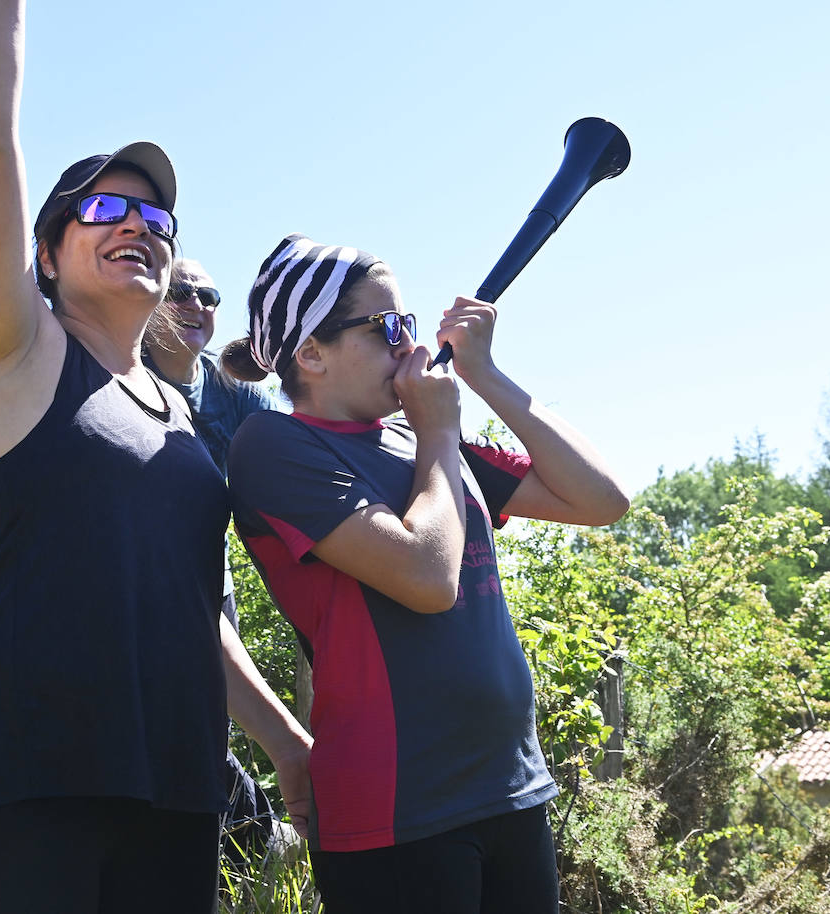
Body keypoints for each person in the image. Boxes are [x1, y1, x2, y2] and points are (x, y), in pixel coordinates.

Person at [0, 3, 312, 911]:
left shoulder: (182, 415)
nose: (137, 223)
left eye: (155, 215)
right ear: (46, 255)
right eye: (103, 209)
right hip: (21, 789)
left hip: (173, 794)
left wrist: (287, 744)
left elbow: (192, 607)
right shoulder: (19, 354)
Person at [223, 234, 631, 914]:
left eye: (409, 327)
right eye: (386, 329)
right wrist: (440, 433)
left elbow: (601, 499)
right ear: (311, 353)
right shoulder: (275, 446)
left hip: (510, 785)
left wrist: (487, 377)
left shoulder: (421, 440)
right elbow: (427, 577)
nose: (410, 348)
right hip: (396, 812)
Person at [142, 260, 298, 867]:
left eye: (208, 295)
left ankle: (235, 861)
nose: (197, 304)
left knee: (207, 727)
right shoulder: (117, 376)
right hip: (132, 580)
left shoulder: (238, 395)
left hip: (209, 580)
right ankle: (253, 849)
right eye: (181, 292)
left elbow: (285, 474)